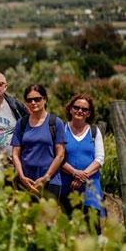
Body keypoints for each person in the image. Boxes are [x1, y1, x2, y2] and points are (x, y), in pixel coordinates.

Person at [11, 84, 65, 199]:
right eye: (29, 100)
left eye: (37, 99)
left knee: (48, 217)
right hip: (25, 182)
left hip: (50, 183)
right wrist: (21, 176)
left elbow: (60, 155)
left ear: (45, 99)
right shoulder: (21, 123)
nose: (33, 102)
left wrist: (46, 178)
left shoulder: (55, 122)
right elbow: (15, 154)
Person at [60, 94, 105, 226]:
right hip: (68, 188)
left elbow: (99, 159)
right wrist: (74, 173)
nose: (80, 111)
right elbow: (58, 157)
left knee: (93, 229)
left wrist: (81, 176)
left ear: (89, 113)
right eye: (76, 107)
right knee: (70, 231)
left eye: (84, 109)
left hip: (91, 189)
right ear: (70, 109)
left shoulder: (94, 131)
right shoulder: (61, 129)